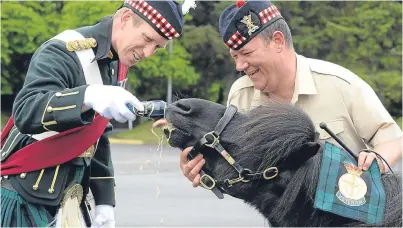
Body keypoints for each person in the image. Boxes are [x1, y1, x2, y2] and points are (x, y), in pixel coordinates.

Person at [0, 0, 196, 227]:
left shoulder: (115, 62)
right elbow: (27, 110)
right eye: (148, 39)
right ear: (124, 19)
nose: (149, 53)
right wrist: (87, 96)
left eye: (158, 47)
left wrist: (104, 201)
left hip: (69, 199)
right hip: (25, 195)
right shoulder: (63, 51)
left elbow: (97, 135)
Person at [179, 0, 402, 188]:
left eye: (246, 53)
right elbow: (234, 164)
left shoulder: (340, 84)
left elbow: (392, 139)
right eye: (234, 56)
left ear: (277, 41)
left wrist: (378, 160)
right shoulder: (241, 96)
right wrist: (203, 168)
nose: (239, 65)